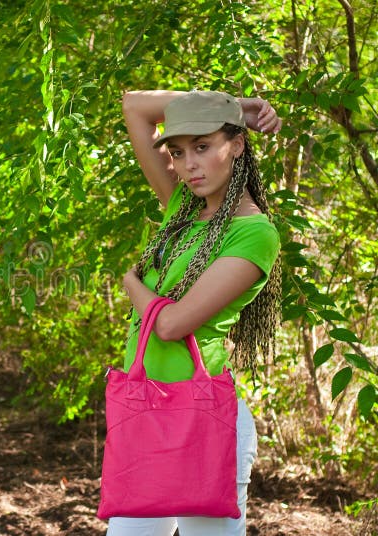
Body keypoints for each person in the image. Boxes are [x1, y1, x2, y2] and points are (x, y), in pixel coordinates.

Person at [107, 90, 283, 536]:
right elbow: (134, 106)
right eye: (180, 152)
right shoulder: (183, 212)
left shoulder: (255, 233)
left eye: (203, 147)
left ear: (237, 145)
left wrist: (132, 283)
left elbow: (170, 325)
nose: (189, 165)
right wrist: (237, 106)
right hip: (147, 415)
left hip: (203, 426)